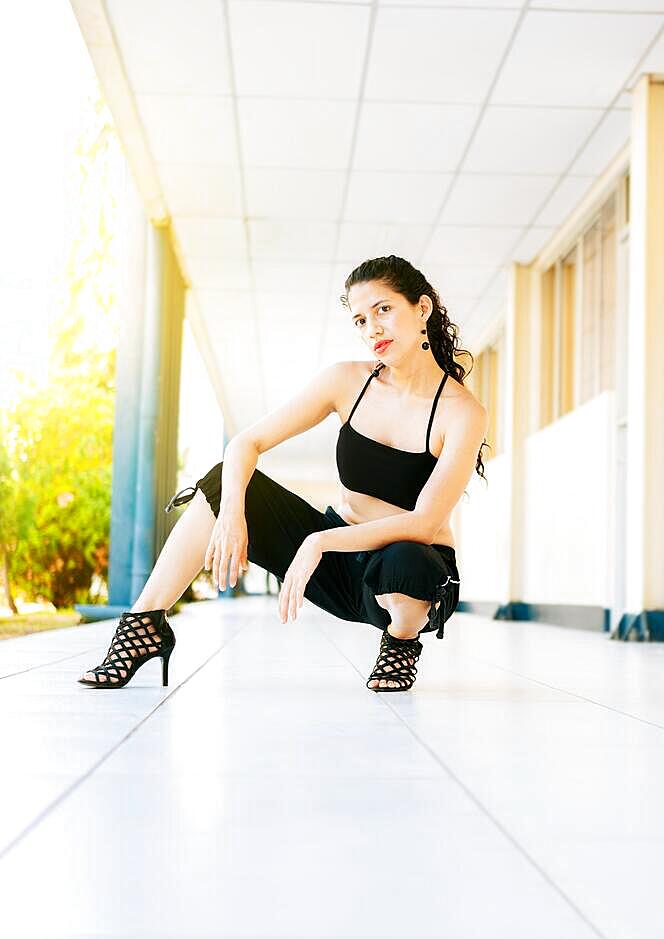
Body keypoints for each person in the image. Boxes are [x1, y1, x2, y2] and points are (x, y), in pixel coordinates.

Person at [78, 255, 489, 692]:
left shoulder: (462, 413)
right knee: (223, 482)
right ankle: (144, 626)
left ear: (421, 309)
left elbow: (424, 523)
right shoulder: (346, 381)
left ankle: (400, 644)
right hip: (338, 563)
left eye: (383, 310)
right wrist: (233, 513)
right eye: (359, 319)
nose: (372, 329)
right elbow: (245, 444)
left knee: (407, 560)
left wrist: (320, 541)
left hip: (409, 576)